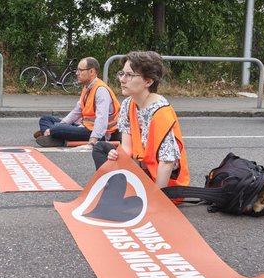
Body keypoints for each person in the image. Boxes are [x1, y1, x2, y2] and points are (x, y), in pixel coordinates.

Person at [91, 51, 189, 189]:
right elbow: (127, 148)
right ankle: (118, 191)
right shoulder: (128, 104)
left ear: (148, 81)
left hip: (163, 181)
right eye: (122, 73)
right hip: (141, 171)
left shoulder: (161, 113)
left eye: (129, 75)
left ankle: (119, 192)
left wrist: (156, 199)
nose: (122, 79)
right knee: (101, 148)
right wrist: (117, 154)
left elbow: (167, 163)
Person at [33, 57, 120, 147]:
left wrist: (94, 139)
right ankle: (54, 136)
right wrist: (62, 125)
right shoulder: (87, 87)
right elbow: (76, 111)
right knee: (45, 119)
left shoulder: (101, 90)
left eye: (80, 70)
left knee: (57, 128)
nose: (77, 73)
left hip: (97, 133)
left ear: (91, 72)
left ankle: (54, 136)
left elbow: (101, 119)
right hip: (84, 125)